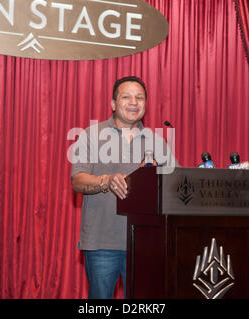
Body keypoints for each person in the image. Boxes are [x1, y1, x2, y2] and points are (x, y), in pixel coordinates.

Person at [70, 76, 174, 299]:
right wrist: (106, 180)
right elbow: (77, 180)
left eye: (139, 97)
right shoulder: (92, 135)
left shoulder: (158, 142)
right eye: (126, 97)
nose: (133, 102)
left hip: (145, 244)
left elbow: (174, 189)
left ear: (146, 103)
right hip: (102, 242)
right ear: (113, 104)